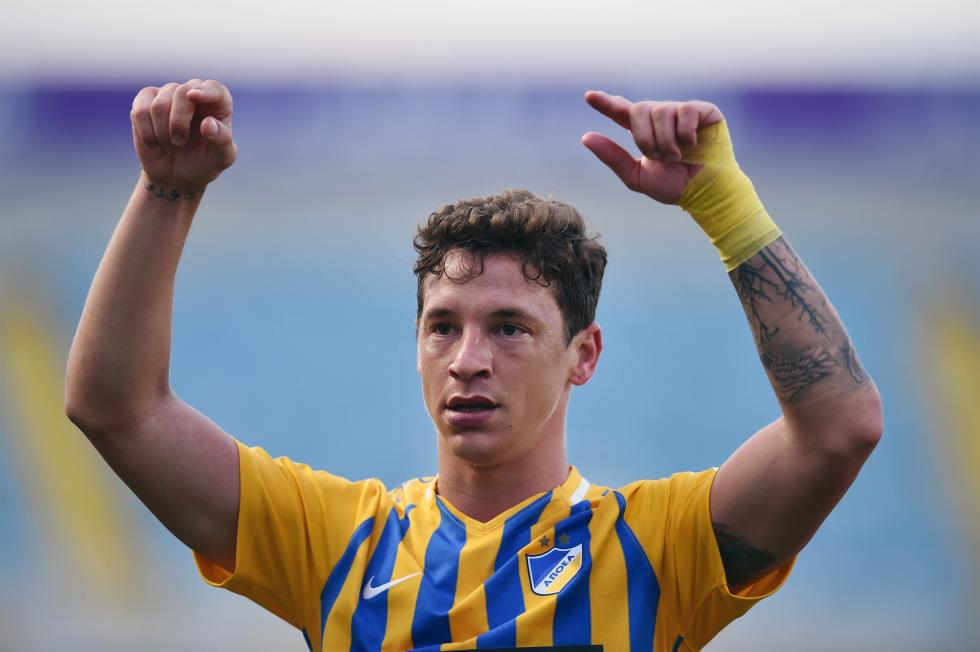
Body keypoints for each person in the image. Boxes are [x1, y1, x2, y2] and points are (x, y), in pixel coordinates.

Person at [65, 78, 883, 651]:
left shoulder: (655, 548)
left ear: (584, 355)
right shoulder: (336, 541)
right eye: (442, 327)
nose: (467, 360)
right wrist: (167, 190)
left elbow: (838, 430)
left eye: (510, 329)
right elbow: (114, 408)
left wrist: (724, 204)